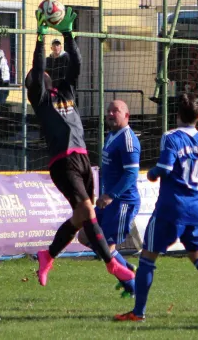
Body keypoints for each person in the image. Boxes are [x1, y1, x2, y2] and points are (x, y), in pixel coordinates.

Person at [26, 8, 135, 287]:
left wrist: (68, 33)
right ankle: (112, 265)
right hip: (63, 163)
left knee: (81, 218)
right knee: (87, 213)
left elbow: (76, 64)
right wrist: (40, 36)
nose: (36, 76)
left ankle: (47, 255)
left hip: (83, 159)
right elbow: (38, 69)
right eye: (33, 78)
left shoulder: (65, 91)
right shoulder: (39, 99)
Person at [114, 93, 198, 322]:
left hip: (170, 209)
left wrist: (152, 174)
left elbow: (164, 167)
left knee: (147, 258)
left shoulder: (171, 137)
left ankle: (138, 312)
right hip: (195, 210)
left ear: (177, 115)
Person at [78, 100, 141, 298]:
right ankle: (127, 269)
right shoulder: (112, 134)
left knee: (107, 248)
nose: (111, 114)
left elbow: (131, 175)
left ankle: (133, 287)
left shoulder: (128, 140)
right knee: (84, 236)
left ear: (127, 115)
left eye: (116, 111)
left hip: (122, 202)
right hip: (109, 201)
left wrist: (111, 195)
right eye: (109, 111)